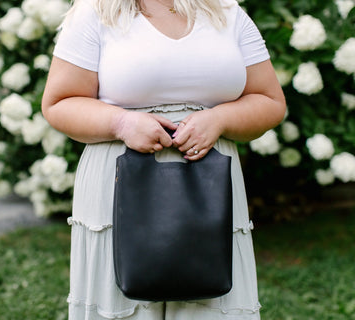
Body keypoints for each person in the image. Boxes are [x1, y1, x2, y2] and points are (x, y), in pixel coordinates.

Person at [42, 0, 286, 318]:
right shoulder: (97, 11)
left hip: (210, 187)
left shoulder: (225, 10)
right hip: (120, 184)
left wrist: (221, 119)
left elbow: (270, 100)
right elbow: (59, 103)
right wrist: (122, 123)